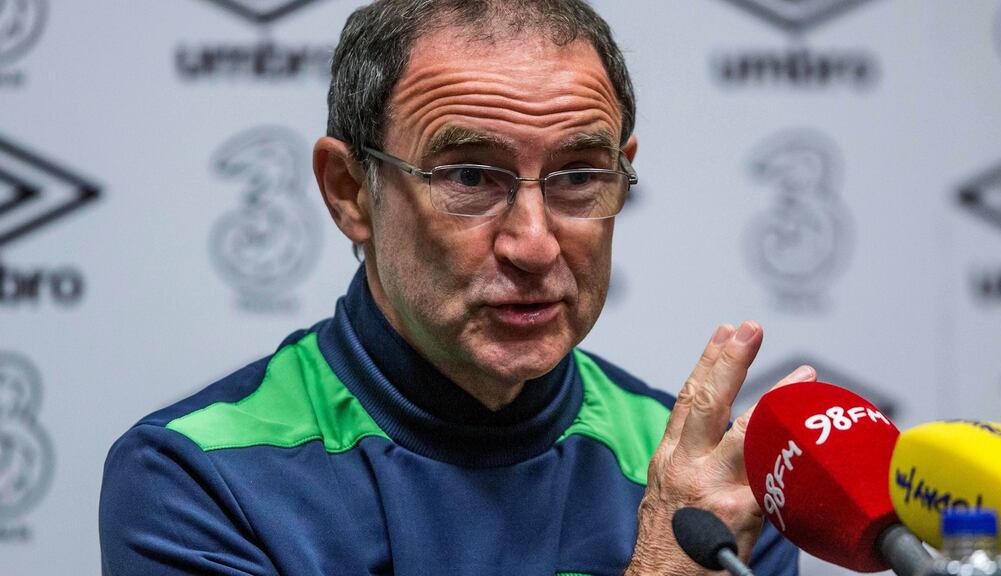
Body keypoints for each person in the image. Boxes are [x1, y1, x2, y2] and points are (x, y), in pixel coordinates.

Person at [99, 1, 817, 574]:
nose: (534, 244)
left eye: (577, 176)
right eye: (470, 176)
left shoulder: (710, 487)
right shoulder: (199, 476)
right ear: (350, 191)